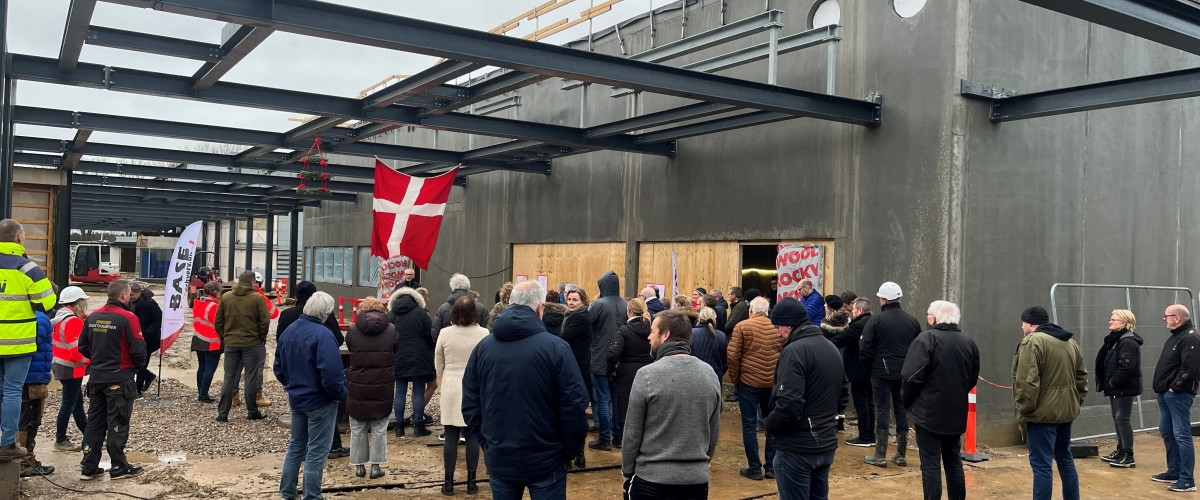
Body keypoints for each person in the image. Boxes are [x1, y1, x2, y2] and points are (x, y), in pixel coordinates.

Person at [462, 281, 589, 500]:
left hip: (506, 457)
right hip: (544, 459)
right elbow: (575, 404)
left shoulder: (483, 348)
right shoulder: (556, 348)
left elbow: (470, 402)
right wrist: (568, 450)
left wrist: (489, 443)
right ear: (540, 308)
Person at [621, 309, 721, 499]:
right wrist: (702, 463)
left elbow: (632, 431)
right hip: (696, 481)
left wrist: (627, 470)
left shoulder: (646, 375)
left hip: (652, 480)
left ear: (665, 335)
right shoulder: (709, 373)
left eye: (652, 331)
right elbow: (714, 429)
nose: (649, 337)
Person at [900, 300, 980, 500]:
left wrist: (907, 402)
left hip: (928, 413)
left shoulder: (926, 339)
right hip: (956, 411)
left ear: (933, 318)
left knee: (930, 464)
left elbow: (910, 377)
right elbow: (972, 377)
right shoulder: (968, 342)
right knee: (953, 461)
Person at [765, 297, 842, 500]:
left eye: (778, 327)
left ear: (789, 324)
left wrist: (769, 424)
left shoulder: (794, 351)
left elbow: (788, 406)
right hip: (825, 443)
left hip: (797, 447)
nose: (777, 333)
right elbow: (842, 394)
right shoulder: (831, 348)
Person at [275, 292, 347, 500]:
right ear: (326, 313)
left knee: (296, 447)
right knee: (316, 452)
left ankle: (287, 494)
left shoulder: (289, 330)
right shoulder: (323, 335)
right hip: (320, 401)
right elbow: (331, 373)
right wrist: (339, 394)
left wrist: (292, 385)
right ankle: (312, 496)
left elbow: (278, 367)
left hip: (297, 398)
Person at [1013, 306, 1087, 500]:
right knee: (1065, 457)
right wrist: (1074, 402)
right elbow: (1081, 377)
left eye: (1023, 322)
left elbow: (1027, 382)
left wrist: (1025, 409)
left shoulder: (1032, 342)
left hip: (1041, 415)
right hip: (1065, 412)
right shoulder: (1069, 342)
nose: (1021, 326)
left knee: (1042, 464)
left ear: (1030, 323)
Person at [79, 279, 147, 481]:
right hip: (120, 378)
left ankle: (89, 466)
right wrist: (136, 367)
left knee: (94, 423)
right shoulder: (128, 318)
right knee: (118, 422)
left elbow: (83, 347)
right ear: (124, 295)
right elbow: (139, 349)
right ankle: (118, 466)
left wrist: (99, 360)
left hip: (97, 378)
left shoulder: (92, 317)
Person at [0, 220, 56, 458]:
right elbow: (48, 302)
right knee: (12, 391)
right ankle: (6, 443)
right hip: (18, 343)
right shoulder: (27, 267)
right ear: (19, 237)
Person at [860, 281, 921, 467]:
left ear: (884, 300)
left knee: (882, 410)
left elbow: (865, 348)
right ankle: (900, 455)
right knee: (901, 411)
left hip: (880, 373)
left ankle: (879, 455)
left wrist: (869, 368)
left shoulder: (876, 320)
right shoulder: (912, 321)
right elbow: (918, 348)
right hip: (904, 374)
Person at [435, 296, 489, 495]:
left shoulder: (445, 333)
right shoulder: (484, 334)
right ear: (475, 312)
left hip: (451, 386)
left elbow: (438, 362)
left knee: (450, 435)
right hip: (474, 388)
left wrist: (442, 381)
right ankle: (471, 482)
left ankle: (448, 483)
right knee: (473, 435)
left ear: (454, 313)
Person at [727, 296, 783, 481]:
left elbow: (733, 356)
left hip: (748, 382)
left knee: (749, 425)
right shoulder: (776, 327)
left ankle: (754, 468)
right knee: (772, 423)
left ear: (751, 309)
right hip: (771, 383)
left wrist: (735, 379)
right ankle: (771, 467)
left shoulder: (742, 326)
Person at [345, 297, 396, 480]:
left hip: (358, 383)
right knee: (379, 426)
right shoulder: (391, 329)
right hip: (382, 382)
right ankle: (375, 466)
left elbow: (350, 347)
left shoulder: (352, 329)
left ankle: (359, 466)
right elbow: (395, 347)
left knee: (357, 425)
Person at [1152, 304, 1200, 492]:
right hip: (1166, 394)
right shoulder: (1176, 337)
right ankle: (1174, 471)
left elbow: (1192, 368)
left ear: (1177, 318)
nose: (1164, 319)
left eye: (1167, 316)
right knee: (1167, 432)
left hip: (1178, 395)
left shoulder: (1191, 337)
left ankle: (1187, 480)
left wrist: (1175, 387)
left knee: (1181, 435)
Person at [215, 270, 270, 423]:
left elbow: (218, 321)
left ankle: (222, 414)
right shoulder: (258, 298)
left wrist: (224, 337)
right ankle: (252, 411)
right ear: (252, 283)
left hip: (231, 344)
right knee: (251, 377)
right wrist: (261, 338)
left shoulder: (225, 297)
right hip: (252, 343)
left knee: (229, 378)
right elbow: (265, 321)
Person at [606, 298, 654, 451]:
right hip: (649, 370)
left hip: (627, 373)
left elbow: (613, 353)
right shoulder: (652, 329)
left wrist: (610, 369)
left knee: (624, 407)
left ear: (630, 312)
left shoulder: (625, 330)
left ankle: (622, 439)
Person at [1095, 309, 1142, 468]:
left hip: (1123, 388)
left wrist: (1113, 382)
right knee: (1117, 418)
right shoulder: (1117, 340)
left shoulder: (1127, 342)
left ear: (1124, 323)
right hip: (1116, 388)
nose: (1110, 321)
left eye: (1113, 319)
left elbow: (1127, 368)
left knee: (1123, 419)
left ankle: (1128, 455)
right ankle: (1121, 450)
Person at [828, 297, 876, 448]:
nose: (852, 312)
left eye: (854, 309)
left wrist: (823, 341)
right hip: (871, 370)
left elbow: (842, 339)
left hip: (859, 370)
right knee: (869, 403)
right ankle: (871, 436)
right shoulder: (873, 322)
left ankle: (864, 437)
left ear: (860, 310)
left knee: (862, 404)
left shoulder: (858, 325)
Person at [389, 287, 435, 437]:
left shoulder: (392, 314)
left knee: (400, 390)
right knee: (419, 391)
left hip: (398, 355)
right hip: (418, 355)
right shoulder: (421, 312)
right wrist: (429, 349)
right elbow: (429, 334)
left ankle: (399, 427)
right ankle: (418, 426)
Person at [589, 271, 626, 452]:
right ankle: (618, 437)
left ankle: (604, 438)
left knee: (603, 399)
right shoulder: (626, 304)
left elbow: (588, 325)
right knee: (616, 398)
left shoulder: (599, 304)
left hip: (601, 357)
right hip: (620, 358)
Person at [51, 286, 89, 452]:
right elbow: (76, 351)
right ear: (78, 303)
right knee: (69, 404)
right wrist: (90, 361)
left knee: (76, 403)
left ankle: (88, 434)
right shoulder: (73, 321)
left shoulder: (60, 317)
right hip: (71, 368)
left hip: (62, 365)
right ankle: (60, 440)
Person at [17, 309, 54, 476]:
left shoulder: (19, 315)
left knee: (20, 418)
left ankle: (21, 459)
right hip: (33, 378)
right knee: (30, 420)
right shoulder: (40, 319)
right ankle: (25, 461)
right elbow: (30, 346)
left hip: (20, 377)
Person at [560, 287, 593, 465]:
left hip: (578, 368)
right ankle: (576, 453)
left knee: (576, 412)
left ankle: (578, 453)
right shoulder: (570, 316)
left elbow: (564, 337)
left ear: (583, 301)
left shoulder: (580, 317)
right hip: (574, 365)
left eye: (575, 300)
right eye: (569, 299)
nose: (571, 303)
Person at [819, 295, 851, 431]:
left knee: (831, 388)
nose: (824, 306)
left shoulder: (826, 325)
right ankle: (840, 419)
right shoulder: (848, 322)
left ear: (830, 307)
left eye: (826, 304)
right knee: (843, 387)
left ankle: (832, 419)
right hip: (846, 357)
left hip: (831, 357)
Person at [277, 281, 343, 345]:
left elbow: (280, 340)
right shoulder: (324, 312)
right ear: (314, 295)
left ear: (296, 296)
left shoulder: (286, 314)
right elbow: (339, 339)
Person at [431, 274, 489, 341]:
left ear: (452, 286)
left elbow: (435, 333)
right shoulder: (481, 308)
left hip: (450, 344)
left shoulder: (443, 309)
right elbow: (486, 331)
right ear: (468, 286)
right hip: (475, 345)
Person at [190, 281, 223, 403]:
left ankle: (201, 392)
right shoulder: (214, 306)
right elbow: (219, 324)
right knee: (210, 369)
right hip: (211, 341)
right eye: (219, 291)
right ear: (215, 292)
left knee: (202, 367)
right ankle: (203, 394)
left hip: (198, 339)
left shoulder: (199, 303)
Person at [129, 282, 162, 396]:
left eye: (132, 295)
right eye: (128, 294)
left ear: (139, 292)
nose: (130, 297)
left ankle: (137, 391)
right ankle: (149, 376)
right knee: (134, 362)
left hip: (148, 339)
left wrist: (147, 332)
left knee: (142, 364)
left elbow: (159, 319)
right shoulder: (128, 302)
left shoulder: (149, 303)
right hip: (133, 337)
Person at [690, 307, 728, 381]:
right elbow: (724, 362)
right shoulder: (721, 336)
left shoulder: (691, 333)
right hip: (715, 376)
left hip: (695, 376)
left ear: (699, 319)